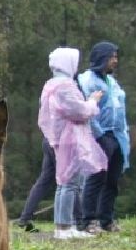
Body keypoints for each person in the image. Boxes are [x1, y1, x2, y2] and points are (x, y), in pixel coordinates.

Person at [37, 47, 107, 239]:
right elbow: (79, 111)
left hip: (61, 136)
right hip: (71, 137)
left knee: (64, 182)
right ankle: (66, 227)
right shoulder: (65, 86)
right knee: (70, 183)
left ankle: (63, 226)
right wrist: (93, 101)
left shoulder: (50, 85)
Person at [76, 42, 130, 233]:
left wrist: (123, 135)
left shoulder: (111, 81)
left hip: (117, 136)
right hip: (99, 136)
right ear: (101, 58)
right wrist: (99, 136)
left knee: (112, 181)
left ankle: (106, 220)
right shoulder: (87, 80)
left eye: (116, 56)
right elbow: (87, 110)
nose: (115, 61)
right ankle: (88, 220)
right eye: (111, 57)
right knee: (96, 177)